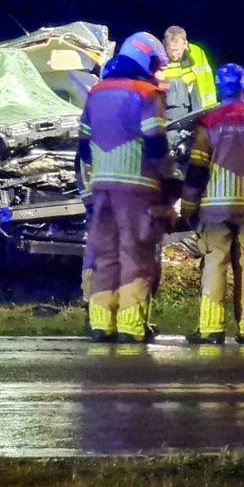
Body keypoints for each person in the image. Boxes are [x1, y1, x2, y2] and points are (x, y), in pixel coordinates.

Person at [78, 32, 171, 343]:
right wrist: (169, 186)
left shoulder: (95, 92)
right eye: (157, 66)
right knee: (136, 254)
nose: (158, 73)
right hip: (138, 188)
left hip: (101, 186)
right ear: (146, 60)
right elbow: (156, 144)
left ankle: (101, 323)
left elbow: (82, 146)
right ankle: (131, 327)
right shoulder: (147, 93)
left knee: (104, 253)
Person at [180, 63, 244, 345]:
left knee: (215, 264)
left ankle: (211, 329)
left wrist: (189, 207)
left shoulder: (209, 123)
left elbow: (197, 171)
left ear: (219, 90)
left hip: (214, 211)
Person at [158, 26, 217, 124]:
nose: (174, 54)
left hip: (195, 111)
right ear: (164, 44)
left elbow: (207, 85)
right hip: (169, 116)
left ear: (185, 44)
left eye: (177, 50)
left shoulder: (197, 53)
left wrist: (210, 112)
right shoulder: (158, 56)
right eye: (170, 50)